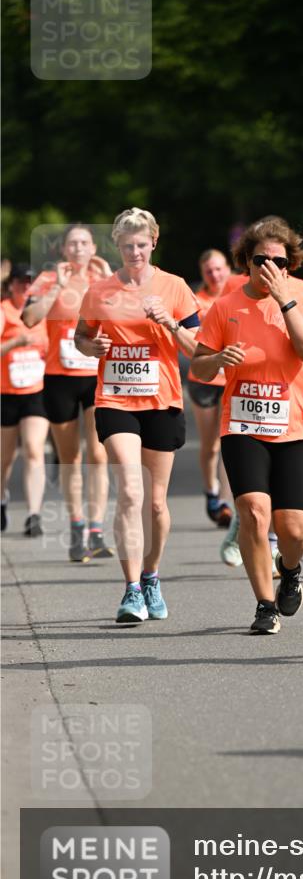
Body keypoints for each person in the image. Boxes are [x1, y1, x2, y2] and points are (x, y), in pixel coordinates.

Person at [191, 215, 303, 635]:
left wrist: (284, 300)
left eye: (280, 262)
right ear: (246, 261)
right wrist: (217, 360)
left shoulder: (299, 293)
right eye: (262, 259)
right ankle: (264, 604)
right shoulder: (225, 307)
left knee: (294, 529)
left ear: (291, 265)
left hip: (295, 425)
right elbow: (198, 363)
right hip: (243, 424)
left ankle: (290, 566)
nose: (271, 267)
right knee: (253, 511)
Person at [74, 207, 200, 623]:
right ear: (117, 246)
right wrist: (92, 349)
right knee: (130, 491)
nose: (134, 253)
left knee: (157, 504)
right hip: (115, 400)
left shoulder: (175, 287)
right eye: (127, 246)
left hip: (162, 401)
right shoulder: (101, 290)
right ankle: (130, 590)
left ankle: (151, 576)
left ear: (153, 242)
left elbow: (198, 351)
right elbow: (81, 335)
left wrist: (169, 323)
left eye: (141, 245)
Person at [23, 224, 113, 562]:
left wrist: (108, 283)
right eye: (72, 243)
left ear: (93, 248)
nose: (77, 248)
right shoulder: (48, 279)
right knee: (70, 457)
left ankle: (96, 529)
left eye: (84, 243)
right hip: (59, 377)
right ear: (63, 250)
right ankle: (77, 527)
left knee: (99, 454)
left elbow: (124, 318)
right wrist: (57, 286)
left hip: (95, 375)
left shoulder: (105, 279)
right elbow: (29, 317)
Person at [189, 249, 245, 529]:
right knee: (210, 444)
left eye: (219, 269)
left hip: (232, 380)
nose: (215, 275)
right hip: (203, 381)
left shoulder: (240, 295)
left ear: (228, 269)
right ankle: (210, 490)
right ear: (202, 274)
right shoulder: (197, 301)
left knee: (227, 442)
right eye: (209, 271)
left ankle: (225, 500)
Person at [1, 264, 49, 536]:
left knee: (33, 449)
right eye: (20, 282)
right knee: (5, 457)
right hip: (6, 394)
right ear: (11, 285)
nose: (25, 286)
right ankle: (2, 499)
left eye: (30, 282)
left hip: (36, 392)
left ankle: (34, 514)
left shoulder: (41, 313)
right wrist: (14, 343)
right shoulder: (4, 310)